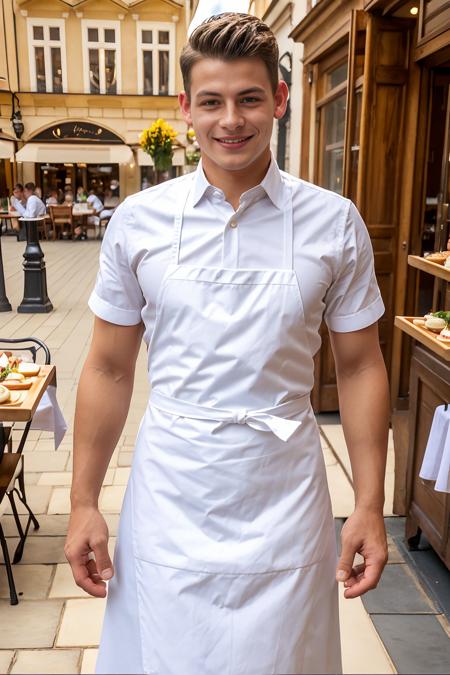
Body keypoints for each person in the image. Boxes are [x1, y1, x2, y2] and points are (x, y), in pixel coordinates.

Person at [65, 13, 389, 675]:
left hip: (284, 491)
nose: (230, 120)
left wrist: (371, 504)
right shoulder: (138, 222)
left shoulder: (334, 221)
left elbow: (358, 367)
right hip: (171, 492)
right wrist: (82, 502)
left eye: (249, 98)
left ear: (280, 99)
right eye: (211, 101)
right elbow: (107, 366)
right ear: (185, 108)